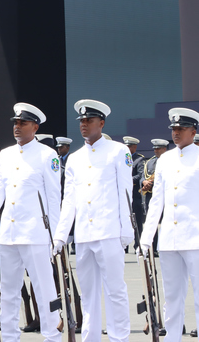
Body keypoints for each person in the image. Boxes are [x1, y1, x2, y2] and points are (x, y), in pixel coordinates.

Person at [0, 103, 61, 342]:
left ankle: (52, 336)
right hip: (9, 234)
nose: (17, 127)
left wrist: (56, 236)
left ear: (35, 126)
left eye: (22, 123)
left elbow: (54, 198)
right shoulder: (6, 154)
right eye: (15, 122)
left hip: (36, 234)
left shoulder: (47, 155)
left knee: (44, 290)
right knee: (8, 292)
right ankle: (10, 337)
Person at [53, 99, 133, 342]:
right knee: (88, 293)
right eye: (82, 121)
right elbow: (70, 200)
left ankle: (120, 338)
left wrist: (126, 229)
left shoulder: (119, 151)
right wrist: (60, 234)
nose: (84, 125)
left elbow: (126, 193)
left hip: (109, 231)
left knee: (115, 290)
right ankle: (90, 337)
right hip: (85, 234)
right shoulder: (75, 158)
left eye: (89, 120)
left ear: (102, 123)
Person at [139, 108, 199, 342]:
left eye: (181, 129)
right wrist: (146, 238)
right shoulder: (165, 160)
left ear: (193, 131)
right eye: (173, 129)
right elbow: (157, 202)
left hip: (195, 237)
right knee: (171, 297)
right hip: (169, 238)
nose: (175, 133)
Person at [141, 139, 168, 253]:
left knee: (166, 222)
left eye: (158, 149)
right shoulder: (150, 162)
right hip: (150, 196)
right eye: (154, 149)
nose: (155, 151)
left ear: (164, 149)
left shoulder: (170, 161)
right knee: (152, 222)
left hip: (165, 196)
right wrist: (144, 182)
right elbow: (144, 175)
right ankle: (154, 248)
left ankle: (164, 246)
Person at [123, 136, 145, 249]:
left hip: (135, 195)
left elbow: (140, 175)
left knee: (137, 221)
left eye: (128, 146)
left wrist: (128, 180)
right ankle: (124, 245)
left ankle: (138, 244)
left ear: (134, 147)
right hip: (124, 195)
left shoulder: (139, 159)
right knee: (124, 220)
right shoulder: (122, 158)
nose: (126, 148)